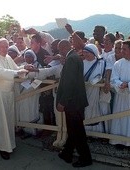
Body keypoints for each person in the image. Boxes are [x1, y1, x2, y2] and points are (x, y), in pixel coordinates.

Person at [0, 38, 33, 160]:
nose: (5, 49)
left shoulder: (8, 58)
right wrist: (17, 72)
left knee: (8, 120)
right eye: (2, 47)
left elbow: (16, 69)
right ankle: (2, 147)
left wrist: (24, 67)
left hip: (8, 94)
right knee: (0, 121)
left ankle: (8, 144)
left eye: (7, 47)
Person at [56, 40, 92, 168]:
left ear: (64, 47)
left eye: (60, 49)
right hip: (76, 102)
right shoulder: (75, 57)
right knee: (73, 130)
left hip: (72, 102)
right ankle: (67, 153)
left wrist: (62, 102)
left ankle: (86, 158)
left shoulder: (71, 59)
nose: (59, 52)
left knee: (78, 132)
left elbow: (69, 83)